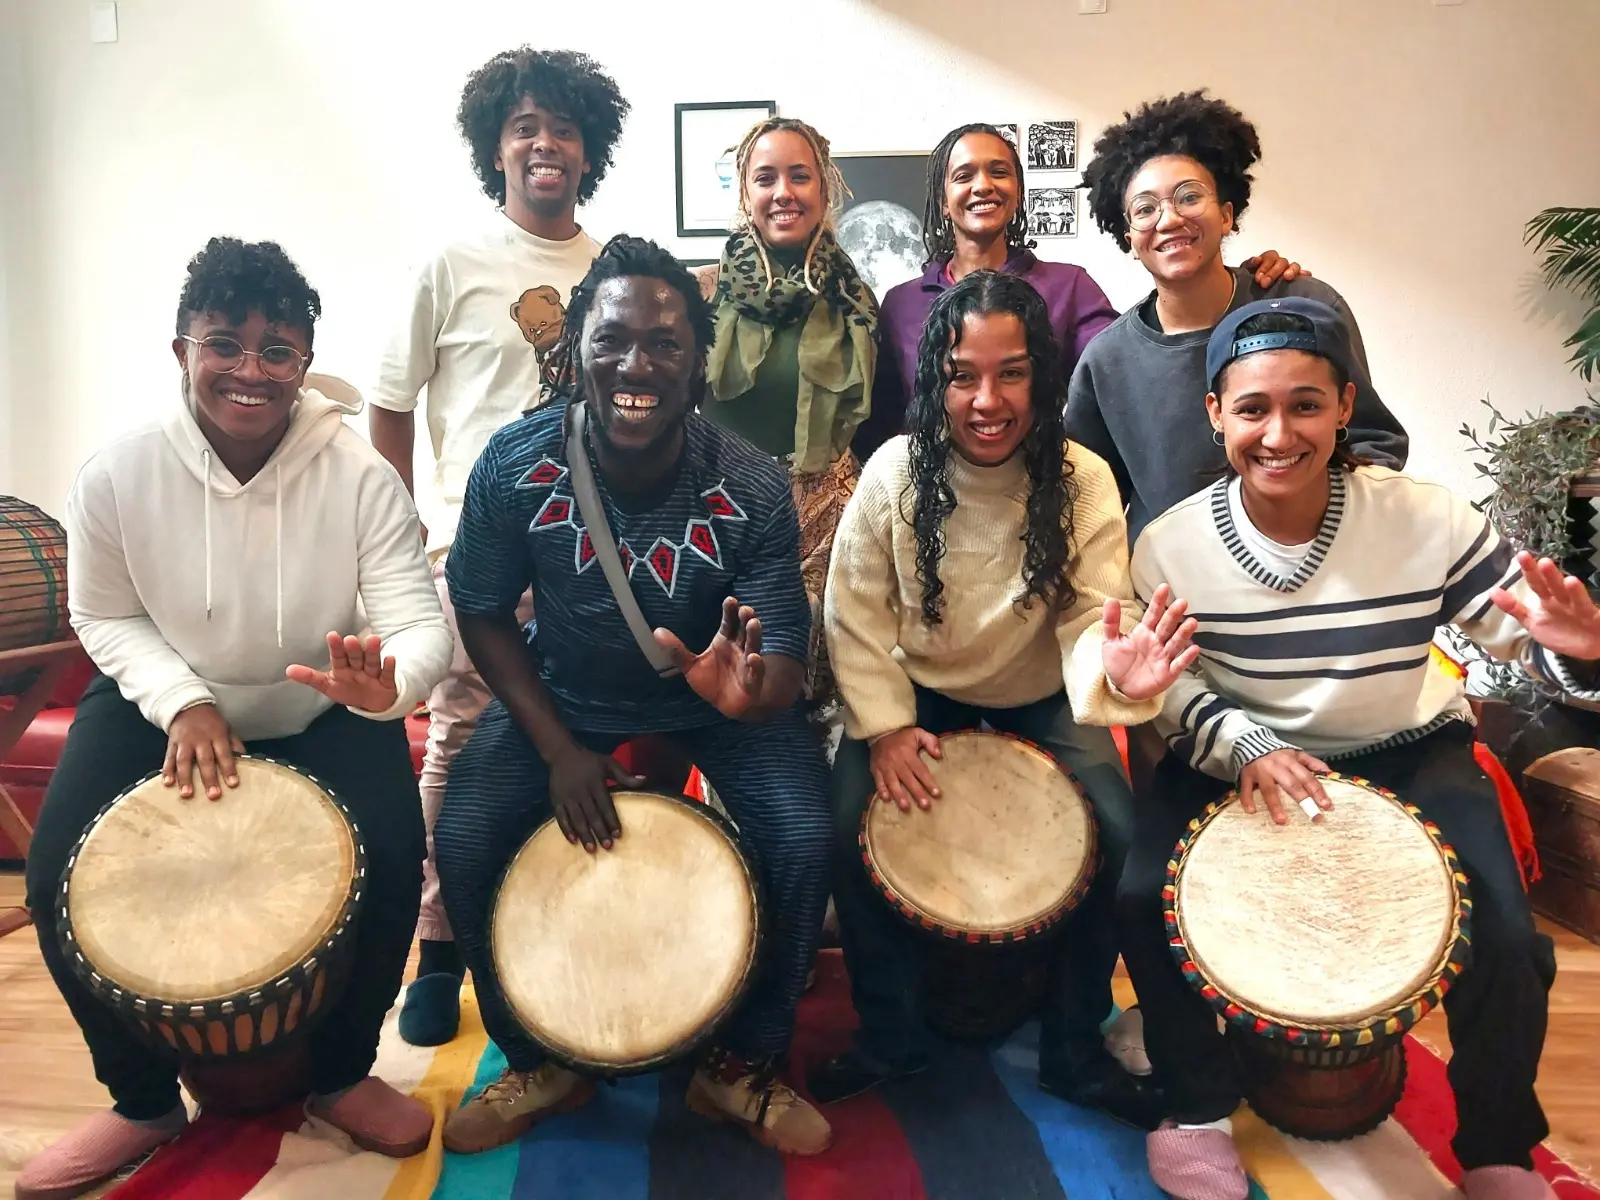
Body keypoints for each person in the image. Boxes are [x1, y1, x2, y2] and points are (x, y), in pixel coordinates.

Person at [1121, 297, 1586, 1200]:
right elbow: (1170, 684)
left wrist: (1577, 653)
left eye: (1305, 404)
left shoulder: (1426, 518)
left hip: (1404, 744)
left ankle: (1496, 1146)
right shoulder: (1168, 544)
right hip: (1239, 751)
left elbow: (1517, 632)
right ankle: (1199, 1103)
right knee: (1143, 900)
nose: (1278, 431)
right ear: (1216, 415)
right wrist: (1245, 742)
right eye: (1252, 408)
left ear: (1344, 406)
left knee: (1504, 934)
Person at [17, 238, 453, 1200]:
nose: (250, 372)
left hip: (323, 701)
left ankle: (340, 1073)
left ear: (305, 362)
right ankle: (140, 1100)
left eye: (277, 352)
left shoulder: (357, 476)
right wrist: (185, 700)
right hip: (164, 693)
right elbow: (104, 613)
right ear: (183, 350)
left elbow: (416, 620)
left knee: (391, 855)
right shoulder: (116, 474)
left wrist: (390, 690)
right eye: (227, 344)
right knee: (54, 879)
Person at [432, 236, 834, 1157]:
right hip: (565, 695)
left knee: (806, 837)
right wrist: (557, 751)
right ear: (573, 350)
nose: (636, 366)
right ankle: (539, 1057)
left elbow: (780, 660)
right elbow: (484, 610)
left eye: (665, 344)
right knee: (462, 834)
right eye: (611, 341)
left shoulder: (752, 479)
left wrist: (746, 695)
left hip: (709, 705)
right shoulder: (515, 462)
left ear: (699, 362)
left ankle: (742, 1065)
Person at [809, 270, 1198, 1129]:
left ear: (1043, 376)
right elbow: (856, 618)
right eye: (963, 375)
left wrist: (1115, 673)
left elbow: (1090, 621)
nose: (987, 399)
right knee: (843, 825)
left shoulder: (1083, 479)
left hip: (1042, 692)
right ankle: (890, 1034)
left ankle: (1071, 1047)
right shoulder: (891, 474)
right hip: (915, 691)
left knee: (1120, 836)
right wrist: (884, 731)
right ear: (933, 379)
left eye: (1011, 373)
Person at [367, 47, 628, 1046]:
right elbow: (389, 410)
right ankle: (438, 950)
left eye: (562, 126)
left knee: (580, 745)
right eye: (523, 126)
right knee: (460, 746)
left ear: (587, 147)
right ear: (496, 146)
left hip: (594, 559)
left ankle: (556, 931)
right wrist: (409, 539)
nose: (543, 142)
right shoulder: (448, 264)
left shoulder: (609, 268)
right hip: (473, 560)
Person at [1067, 91, 1410, 546]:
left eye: (1189, 197)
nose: (1169, 219)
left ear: (1226, 214)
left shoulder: (1303, 306)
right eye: (1146, 209)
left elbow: (1373, 443)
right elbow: (1087, 494)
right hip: (1174, 594)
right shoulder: (1107, 359)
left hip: (1308, 569)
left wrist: (1317, 541)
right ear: (1128, 236)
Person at [858, 121, 1307, 460]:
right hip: (931, 500)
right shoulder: (900, 303)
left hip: (1037, 497)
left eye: (999, 172)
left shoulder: (1069, 286)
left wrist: (1241, 285)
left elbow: (1136, 367)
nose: (983, 185)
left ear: (1017, 192)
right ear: (942, 198)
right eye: (964, 175)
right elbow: (884, 423)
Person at [690, 116, 878, 706]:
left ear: (825, 189)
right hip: (724, 511)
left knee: (824, 689)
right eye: (765, 177)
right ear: (745, 193)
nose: (783, 192)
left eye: (800, 176)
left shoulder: (855, 299)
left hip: (829, 515)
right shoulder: (702, 294)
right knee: (732, 678)